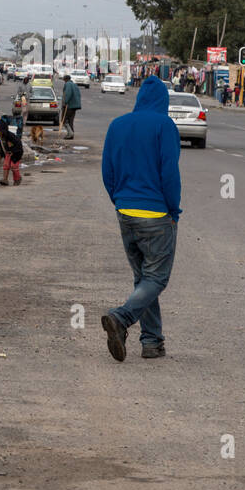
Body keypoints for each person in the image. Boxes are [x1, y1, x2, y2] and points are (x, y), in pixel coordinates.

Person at [100, 77, 182, 362]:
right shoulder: (164, 126)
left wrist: (119, 200)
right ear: (163, 101)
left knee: (143, 279)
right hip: (157, 214)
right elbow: (169, 173)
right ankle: (121, 318)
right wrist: (174, 210)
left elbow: (107, 171)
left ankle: (151, 342)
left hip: (125, 212)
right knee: (156, 278)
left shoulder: (117, 125)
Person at [0, 119, 24, 186]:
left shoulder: (11, 136)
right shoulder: (1, 138)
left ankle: (17, 179)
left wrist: (14, 151)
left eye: (0, 131)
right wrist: (0, 154)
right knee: (6, 165)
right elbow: (2, 147)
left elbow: (19, 144)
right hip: (8, 153)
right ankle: (5, 179)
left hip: (16, 153)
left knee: (14, 166)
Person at [61, 73, 82, 139]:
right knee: (70, 120)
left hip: (69, 105)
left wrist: (65, 102)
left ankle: (70, 133)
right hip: (75, 106)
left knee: (64, 120)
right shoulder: (74, 85)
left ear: (65, 79)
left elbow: (67, 94)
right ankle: (71, 135)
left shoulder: (68, 84)